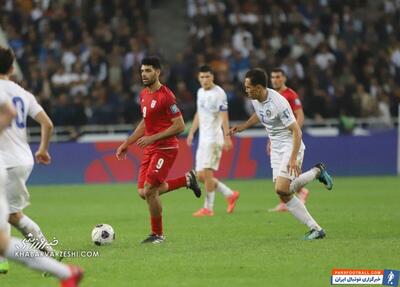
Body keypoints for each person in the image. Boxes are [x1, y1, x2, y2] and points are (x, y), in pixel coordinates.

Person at [0, 47, 82, 286]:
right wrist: (43, 149)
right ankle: (50, 259)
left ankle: (7, 259)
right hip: (23, 159)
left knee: (9, 213)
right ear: (12, 68)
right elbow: (47, 123)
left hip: (4, 160)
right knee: (13, 214)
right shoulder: (22, 93)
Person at [229, 68, 333, 240]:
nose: (246, 90)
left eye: (248, 87)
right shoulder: (256, 100)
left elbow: (297, 131)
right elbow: (259, 114)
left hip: (290, 145)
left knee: (281, 188)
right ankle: (316, 229)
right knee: (283, 194)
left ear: (260, 87)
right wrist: (243, 126)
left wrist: (293, 158)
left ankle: (317, 172)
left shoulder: (279, 102)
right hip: (276, 148)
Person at [116, 57, 201, 244]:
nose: (144, 74)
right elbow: (146, 122)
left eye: (148, 70)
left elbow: (179, 126)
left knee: (149, 190)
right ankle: (187, 179)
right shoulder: (144, 94)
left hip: (166, 148)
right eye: (142, 71)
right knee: (143, 192)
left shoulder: (166, 96)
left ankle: (157, 234)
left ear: (157, 72)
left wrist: (152, 138)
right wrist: (128, 142)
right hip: (150, 147)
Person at [187, 65, 239, 217]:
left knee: (208, 174)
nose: (204, 80)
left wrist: (227, 136)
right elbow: (199, 113)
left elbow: (224, 116)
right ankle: (230, 194)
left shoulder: (219, 93)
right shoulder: (200, 92)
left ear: (212, 77)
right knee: (201, 176)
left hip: (214, 138)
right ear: (198, 78)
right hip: (203, 139)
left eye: (207, 77)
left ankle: (208, 208)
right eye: (202, 77)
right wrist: (191, 132)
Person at [268, 68, 309, 212]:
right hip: (277, 140)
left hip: (289, 138)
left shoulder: (290, 95)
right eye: (273, 77)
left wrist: (295, 133)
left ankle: (302, 191)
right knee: (279, 175)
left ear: (284, 78)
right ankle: (287, 200)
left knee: (287, 172)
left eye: (278, 77)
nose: (275, 80)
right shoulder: (271, 96)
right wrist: (270, 140)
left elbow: (300, 115)